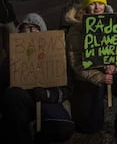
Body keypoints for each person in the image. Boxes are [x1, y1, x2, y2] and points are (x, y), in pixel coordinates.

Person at [65, 0, 117, 141]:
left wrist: (115, 65)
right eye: (92, 3)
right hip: (88, 78)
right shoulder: (76, 30)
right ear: (86, 7)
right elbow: (76, 63)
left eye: (100, 2)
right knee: (92, 127)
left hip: (110, 72)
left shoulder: (115, 23)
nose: (97, 7)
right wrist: (99, 77)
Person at [0, 13, 75, 144]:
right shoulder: (11, 59)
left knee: (63, 128)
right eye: (26, 28)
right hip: (22, 104)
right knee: (13, 96)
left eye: (35, 28)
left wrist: (46, 94)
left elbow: (67, 89)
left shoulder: (56, 56)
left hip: (47, 101)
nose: (31, 32)